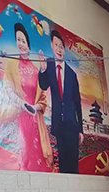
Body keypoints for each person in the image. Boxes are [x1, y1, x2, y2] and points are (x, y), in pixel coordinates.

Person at [4, 23, 53, 171]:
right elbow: (8, 90)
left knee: (38, 156)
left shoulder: (35, 69)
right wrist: (23, 104)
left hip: (36, 119)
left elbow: (43, 99)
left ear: (28, 45)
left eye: (23, 41)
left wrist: (34, 107)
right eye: (18, 40)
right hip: (21, 117)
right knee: (25, 157)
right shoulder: (11, 64)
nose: (20, 44)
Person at [38, 30, 83, 174]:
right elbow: (44, 85)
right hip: (59, 124)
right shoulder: (49, 65)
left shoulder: (71, 74)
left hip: (72, 125)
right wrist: (42, 71)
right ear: (52, 46)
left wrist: (80, 130)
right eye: (56, 45)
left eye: (61, 47)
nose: (59, 49)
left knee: (73, 165)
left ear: (64, 50)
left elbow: (77, 103)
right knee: (63, 165)